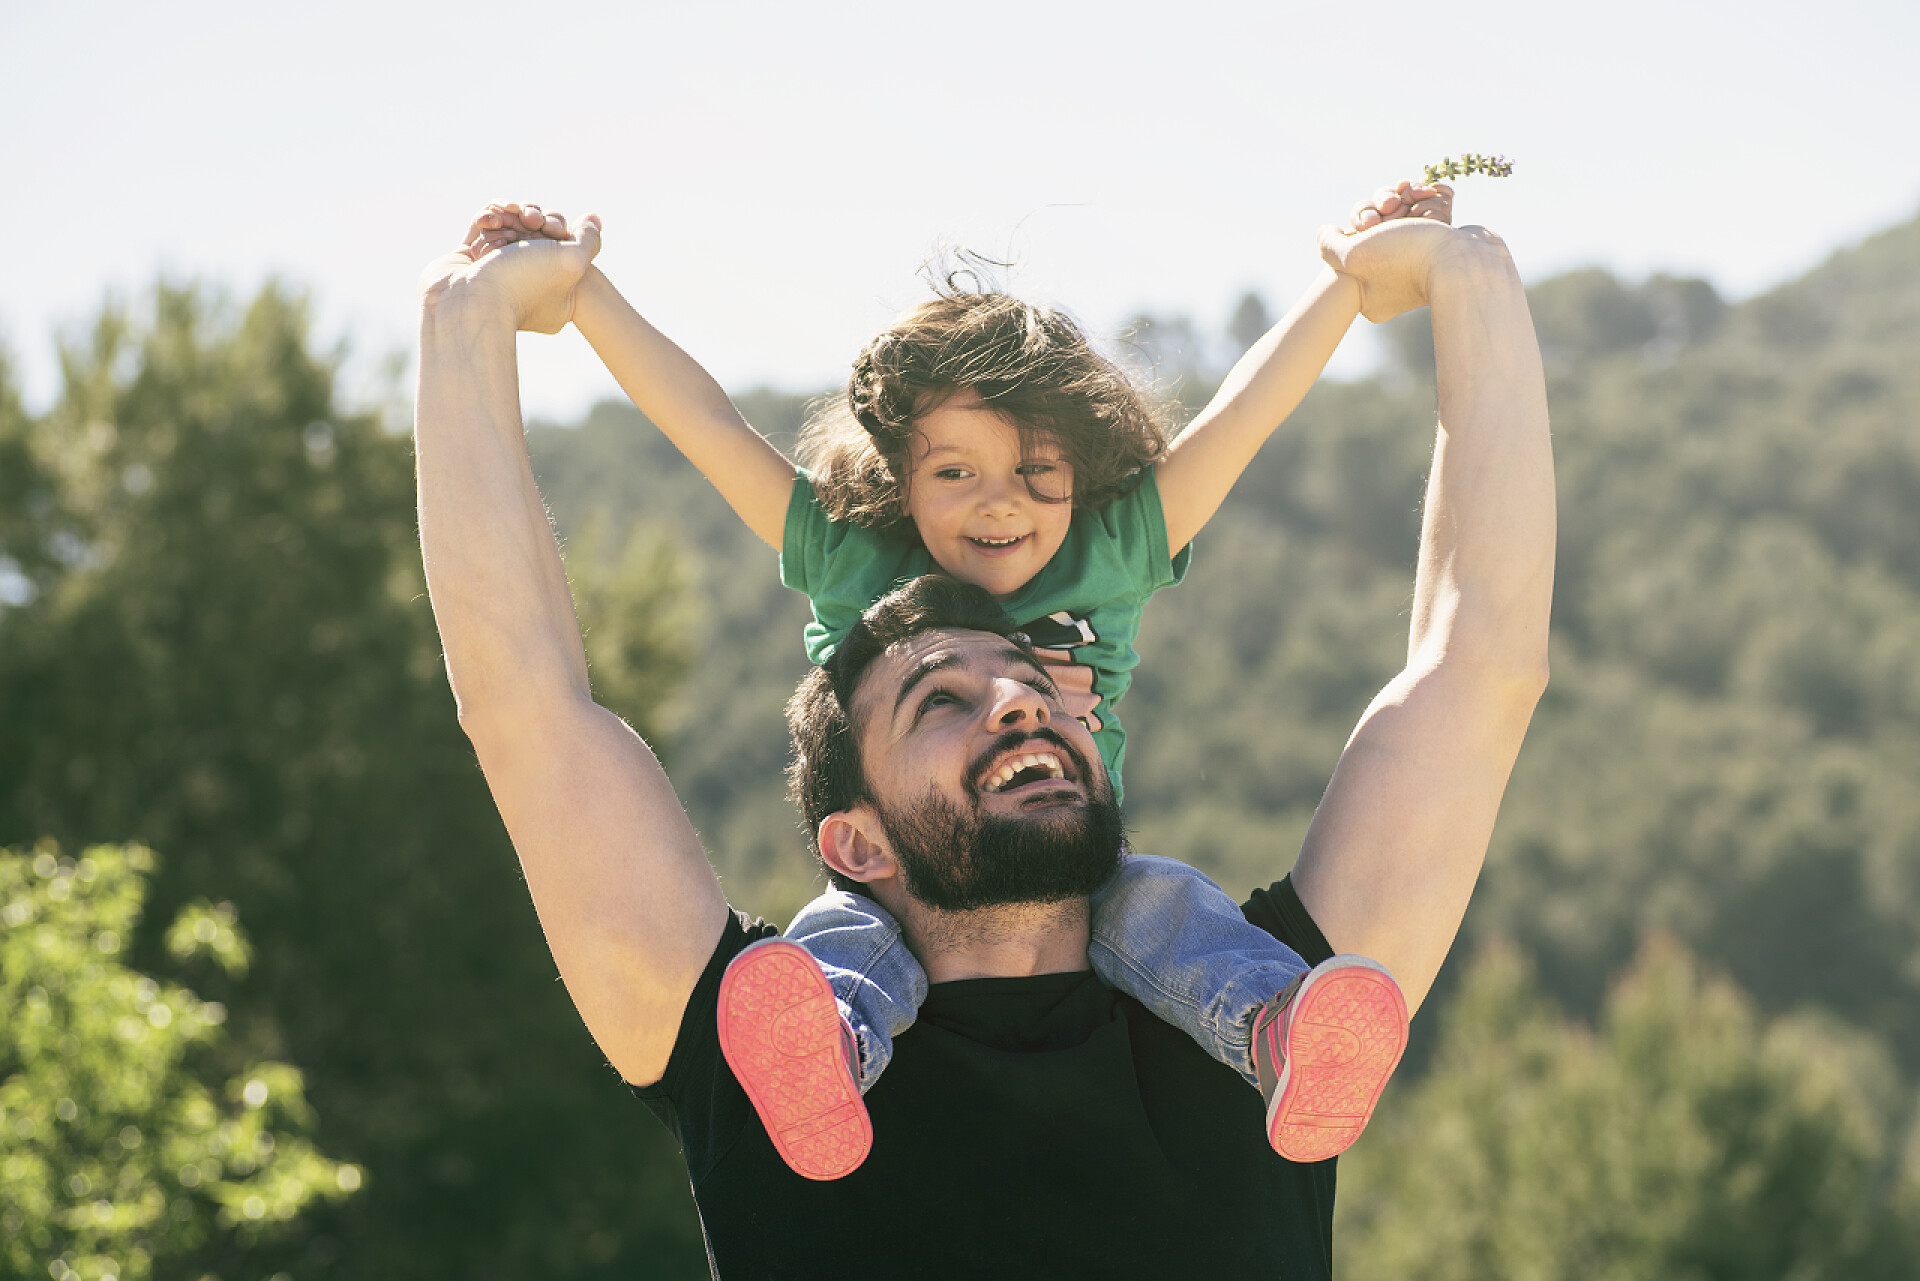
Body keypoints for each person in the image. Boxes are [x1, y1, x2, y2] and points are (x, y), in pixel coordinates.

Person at [413, 196, 1553, 1277]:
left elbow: (1481, 668)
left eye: (1039, 689)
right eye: (938, 699)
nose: (1021, 700)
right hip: (815, 1043)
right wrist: (467, 322)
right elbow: (525, 707)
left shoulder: (1279, 1037)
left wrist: (1468, 275)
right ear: (851, 839)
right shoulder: (757, 1048)